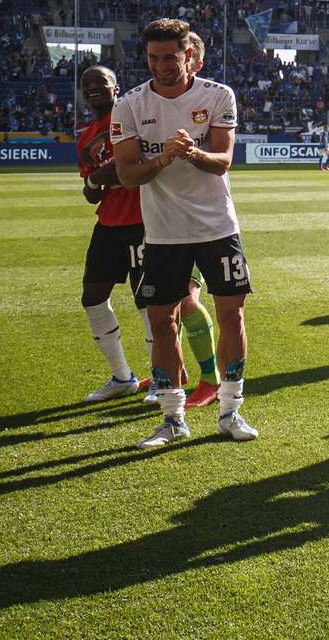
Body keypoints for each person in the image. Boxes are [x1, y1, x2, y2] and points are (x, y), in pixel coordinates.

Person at [110, 18, 255, 447]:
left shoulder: (217, 95)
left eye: (170, 57)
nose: (161, 66)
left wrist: (191, 152)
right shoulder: (130, 105)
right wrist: (163, 159)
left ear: (188, 54)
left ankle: (231, 410)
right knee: (162, 320)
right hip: (163, 232)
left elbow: (224, 160)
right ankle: (172, 418)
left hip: (217, 226)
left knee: (232, 314)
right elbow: (128, 175)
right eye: (153, 58)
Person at [75, 66, 219, 409]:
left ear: (115, 88)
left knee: (151, 303)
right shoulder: (86, 138)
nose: (94, 89)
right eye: (87, 85)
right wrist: (97, 179)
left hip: (147, 222)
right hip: (109, 223)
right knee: (92, 297)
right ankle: (122, 377)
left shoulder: (135, 117)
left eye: (102, 83)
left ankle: (162, 378)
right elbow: (90, 192)